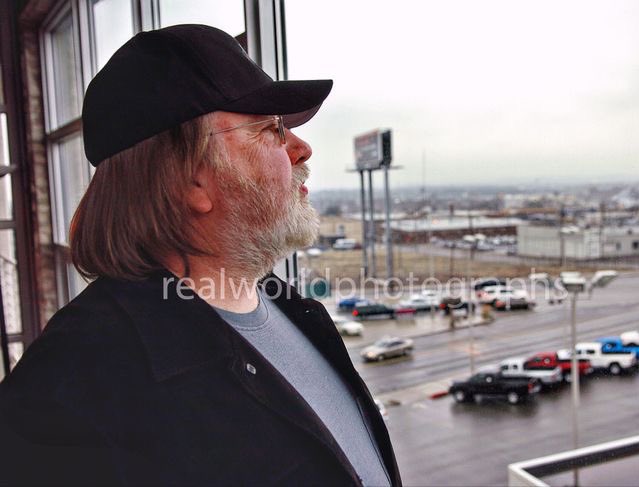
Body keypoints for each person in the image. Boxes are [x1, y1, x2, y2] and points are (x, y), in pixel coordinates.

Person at [0, 24, 400, 486]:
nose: (301, 148)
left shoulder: (292, 309)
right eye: (271, 128)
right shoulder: (76, 383)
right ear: (191, 177)